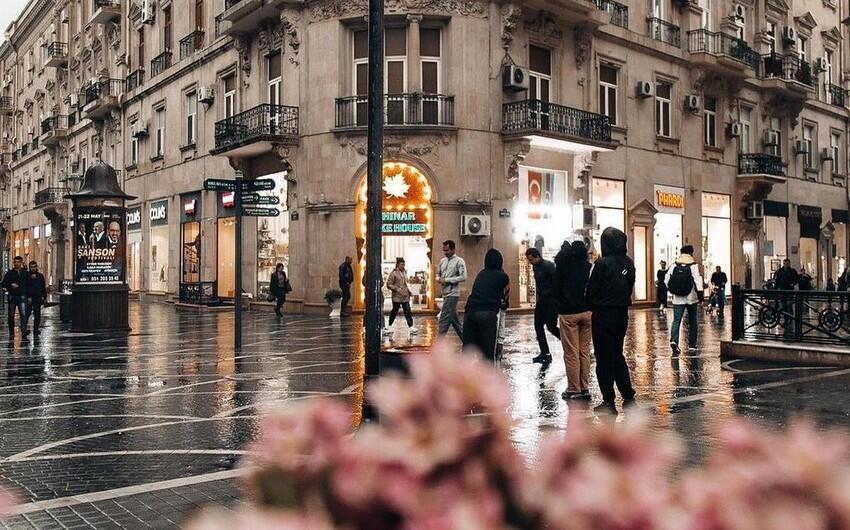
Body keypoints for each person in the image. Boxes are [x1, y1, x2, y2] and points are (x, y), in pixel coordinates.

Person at [585, 227, 636, 412]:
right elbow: (630, 286)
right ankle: (628, 395)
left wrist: (594, 303)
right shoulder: (628, 263)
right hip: (621, 313)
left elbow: (591, 292)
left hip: (603, 315)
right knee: (617, 355)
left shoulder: (602, 264)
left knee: (604, 359)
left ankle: (609, 401)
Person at [554, 240, 593, 400]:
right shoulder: (589, 268)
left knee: (571, 353)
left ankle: (573, 388)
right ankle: (584, 387)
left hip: (568, 314)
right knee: (584, 351)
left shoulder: (563, 268)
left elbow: (555, 289)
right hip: (587, 313)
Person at [463, 249, 509, 361]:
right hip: (488, 315)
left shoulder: (481, 274)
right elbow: (504, 306)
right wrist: (500, 340)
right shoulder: (503, 277)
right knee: (487, 357)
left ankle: (464, 378)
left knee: (467, 355)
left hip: (470, 313)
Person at [666, 245, 704, 355]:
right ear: (691, 253)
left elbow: (666, 279)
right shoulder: (693, 265)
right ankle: (692, 345)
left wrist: (672, 290)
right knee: (693, 321)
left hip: (678, 298)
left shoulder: (674, 265)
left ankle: (674, 340)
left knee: (676, 320)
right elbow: (698, 281)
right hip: (691, 298)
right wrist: (700, 296)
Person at [525, 248, 560, 363]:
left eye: (531, 260)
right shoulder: (535, 267)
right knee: (538, 326)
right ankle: (544, 352)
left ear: (537, 256)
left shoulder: (549, 266)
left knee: (551, 327)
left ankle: (569, 343)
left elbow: (556, 284)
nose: (530, 263)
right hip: (542, 302)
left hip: (551, 302)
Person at [436, 240, 467, 338]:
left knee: (444, 320)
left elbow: (463, 277)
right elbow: (438, 274)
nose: (445, 252)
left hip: (453, 294)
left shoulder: (459, 261)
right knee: (455, 322)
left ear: (453, 249)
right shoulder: (442, 261)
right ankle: (467, 342)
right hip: (445, 293)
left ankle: (438, 345)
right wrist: (439, 279)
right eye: (444, 250)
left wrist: (448, 280)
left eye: (447, 250)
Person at [386, 258, 417, 335]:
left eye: (404, 264)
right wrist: (396, 289)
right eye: (401, 264)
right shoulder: (393, 273)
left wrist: (409, 291)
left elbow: (406, 283)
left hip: (405, 296)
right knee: (394, 311)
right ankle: (389, 326)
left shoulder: (405, 272)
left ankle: (411, 326)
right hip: (397, 296)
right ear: (397, 264)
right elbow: (389, 284)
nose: (403, 266)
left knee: (408, 311)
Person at [2, 256, 28, 338]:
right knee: (11, 315)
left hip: (22, 296)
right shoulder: (10, 273)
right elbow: (4, 283)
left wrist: (20, 287)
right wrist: (10, 285)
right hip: (12, 296)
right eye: (15, 262)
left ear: (21, 263)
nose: (16, 264)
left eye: (18, 262)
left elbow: (27, 284)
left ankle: (23, 331)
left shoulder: (24, 273)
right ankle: (11, 332)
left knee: (23, 314)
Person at [24, 261, 47, 337]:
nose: (33, 268)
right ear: (29, 267)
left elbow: (43, 287)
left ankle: (36, 329)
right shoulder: (27, 276)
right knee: (27, 314)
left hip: (37, 298)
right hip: (29, 298)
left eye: (34, 267)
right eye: (31, 267)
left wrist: (44, 297)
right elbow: (25, 286)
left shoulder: (40, 276)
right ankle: (25, 329)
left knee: (37, 314)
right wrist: (28, 296)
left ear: (36, 267)